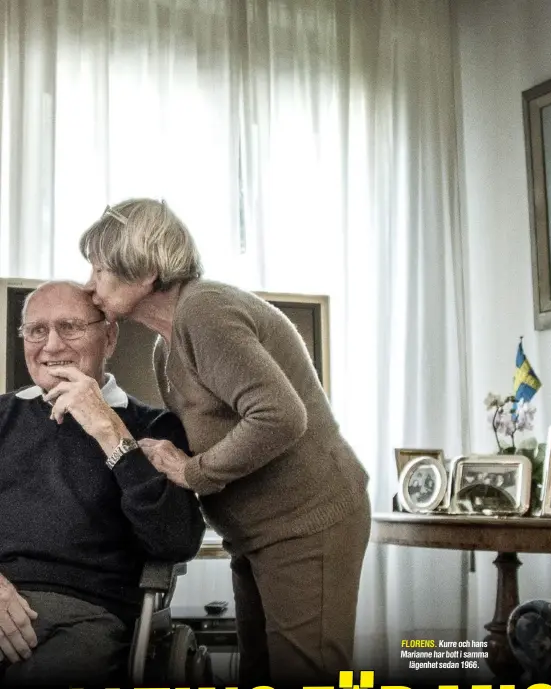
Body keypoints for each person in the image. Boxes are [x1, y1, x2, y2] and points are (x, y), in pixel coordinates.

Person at [80, 198, 371, 687]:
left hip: (306, 522)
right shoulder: (165, 346)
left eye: (102, 269)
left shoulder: (205, 313)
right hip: (257, 532)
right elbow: (226, 428)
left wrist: (192, 471)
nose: (90, 284)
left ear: (146, 271)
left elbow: (280, 416)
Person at [0, 281, 204, 686]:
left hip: (82, 614)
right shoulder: (2, 417)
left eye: (70, 327)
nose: (51, 346)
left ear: (109, 336)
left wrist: (111, 433)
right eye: (36, 331)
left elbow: (176, 541)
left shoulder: (155, 426)